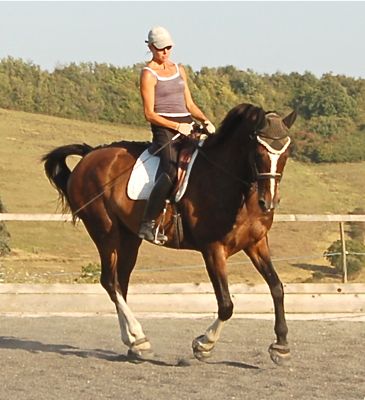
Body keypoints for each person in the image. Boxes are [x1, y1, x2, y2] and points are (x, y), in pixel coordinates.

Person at [138, 26, 215, 243]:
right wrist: (176, 126)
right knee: (170, 173)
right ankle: (148, 223)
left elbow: (189, 104)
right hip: (165, 131)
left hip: (188, 126)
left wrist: (205, 120)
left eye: (168, 48)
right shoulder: (148, 74)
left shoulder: (179, 69)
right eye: (161, 49)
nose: (165, 52)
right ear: (151, 47)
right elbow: (149, 114)